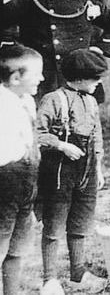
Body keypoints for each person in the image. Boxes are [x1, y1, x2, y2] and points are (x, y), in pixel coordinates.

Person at [36, 49, 108, 295]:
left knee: (80, 222)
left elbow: (97, 134)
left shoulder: (91, 101)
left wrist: (97, 166)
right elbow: (38, 134)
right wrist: (62, 145)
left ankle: (78, 272)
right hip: (59, 170)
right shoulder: (54, 99)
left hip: (85, 170)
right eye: (95, 78)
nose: (98, 82)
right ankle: (49, 279)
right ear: (78, 77)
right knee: (54, 225)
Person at [0, 45, 43, 295]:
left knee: (18, 248)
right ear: (16, 78)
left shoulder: (25, 100)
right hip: (4, 182)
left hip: (26, 182)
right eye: (37, 74)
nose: (42, 78)